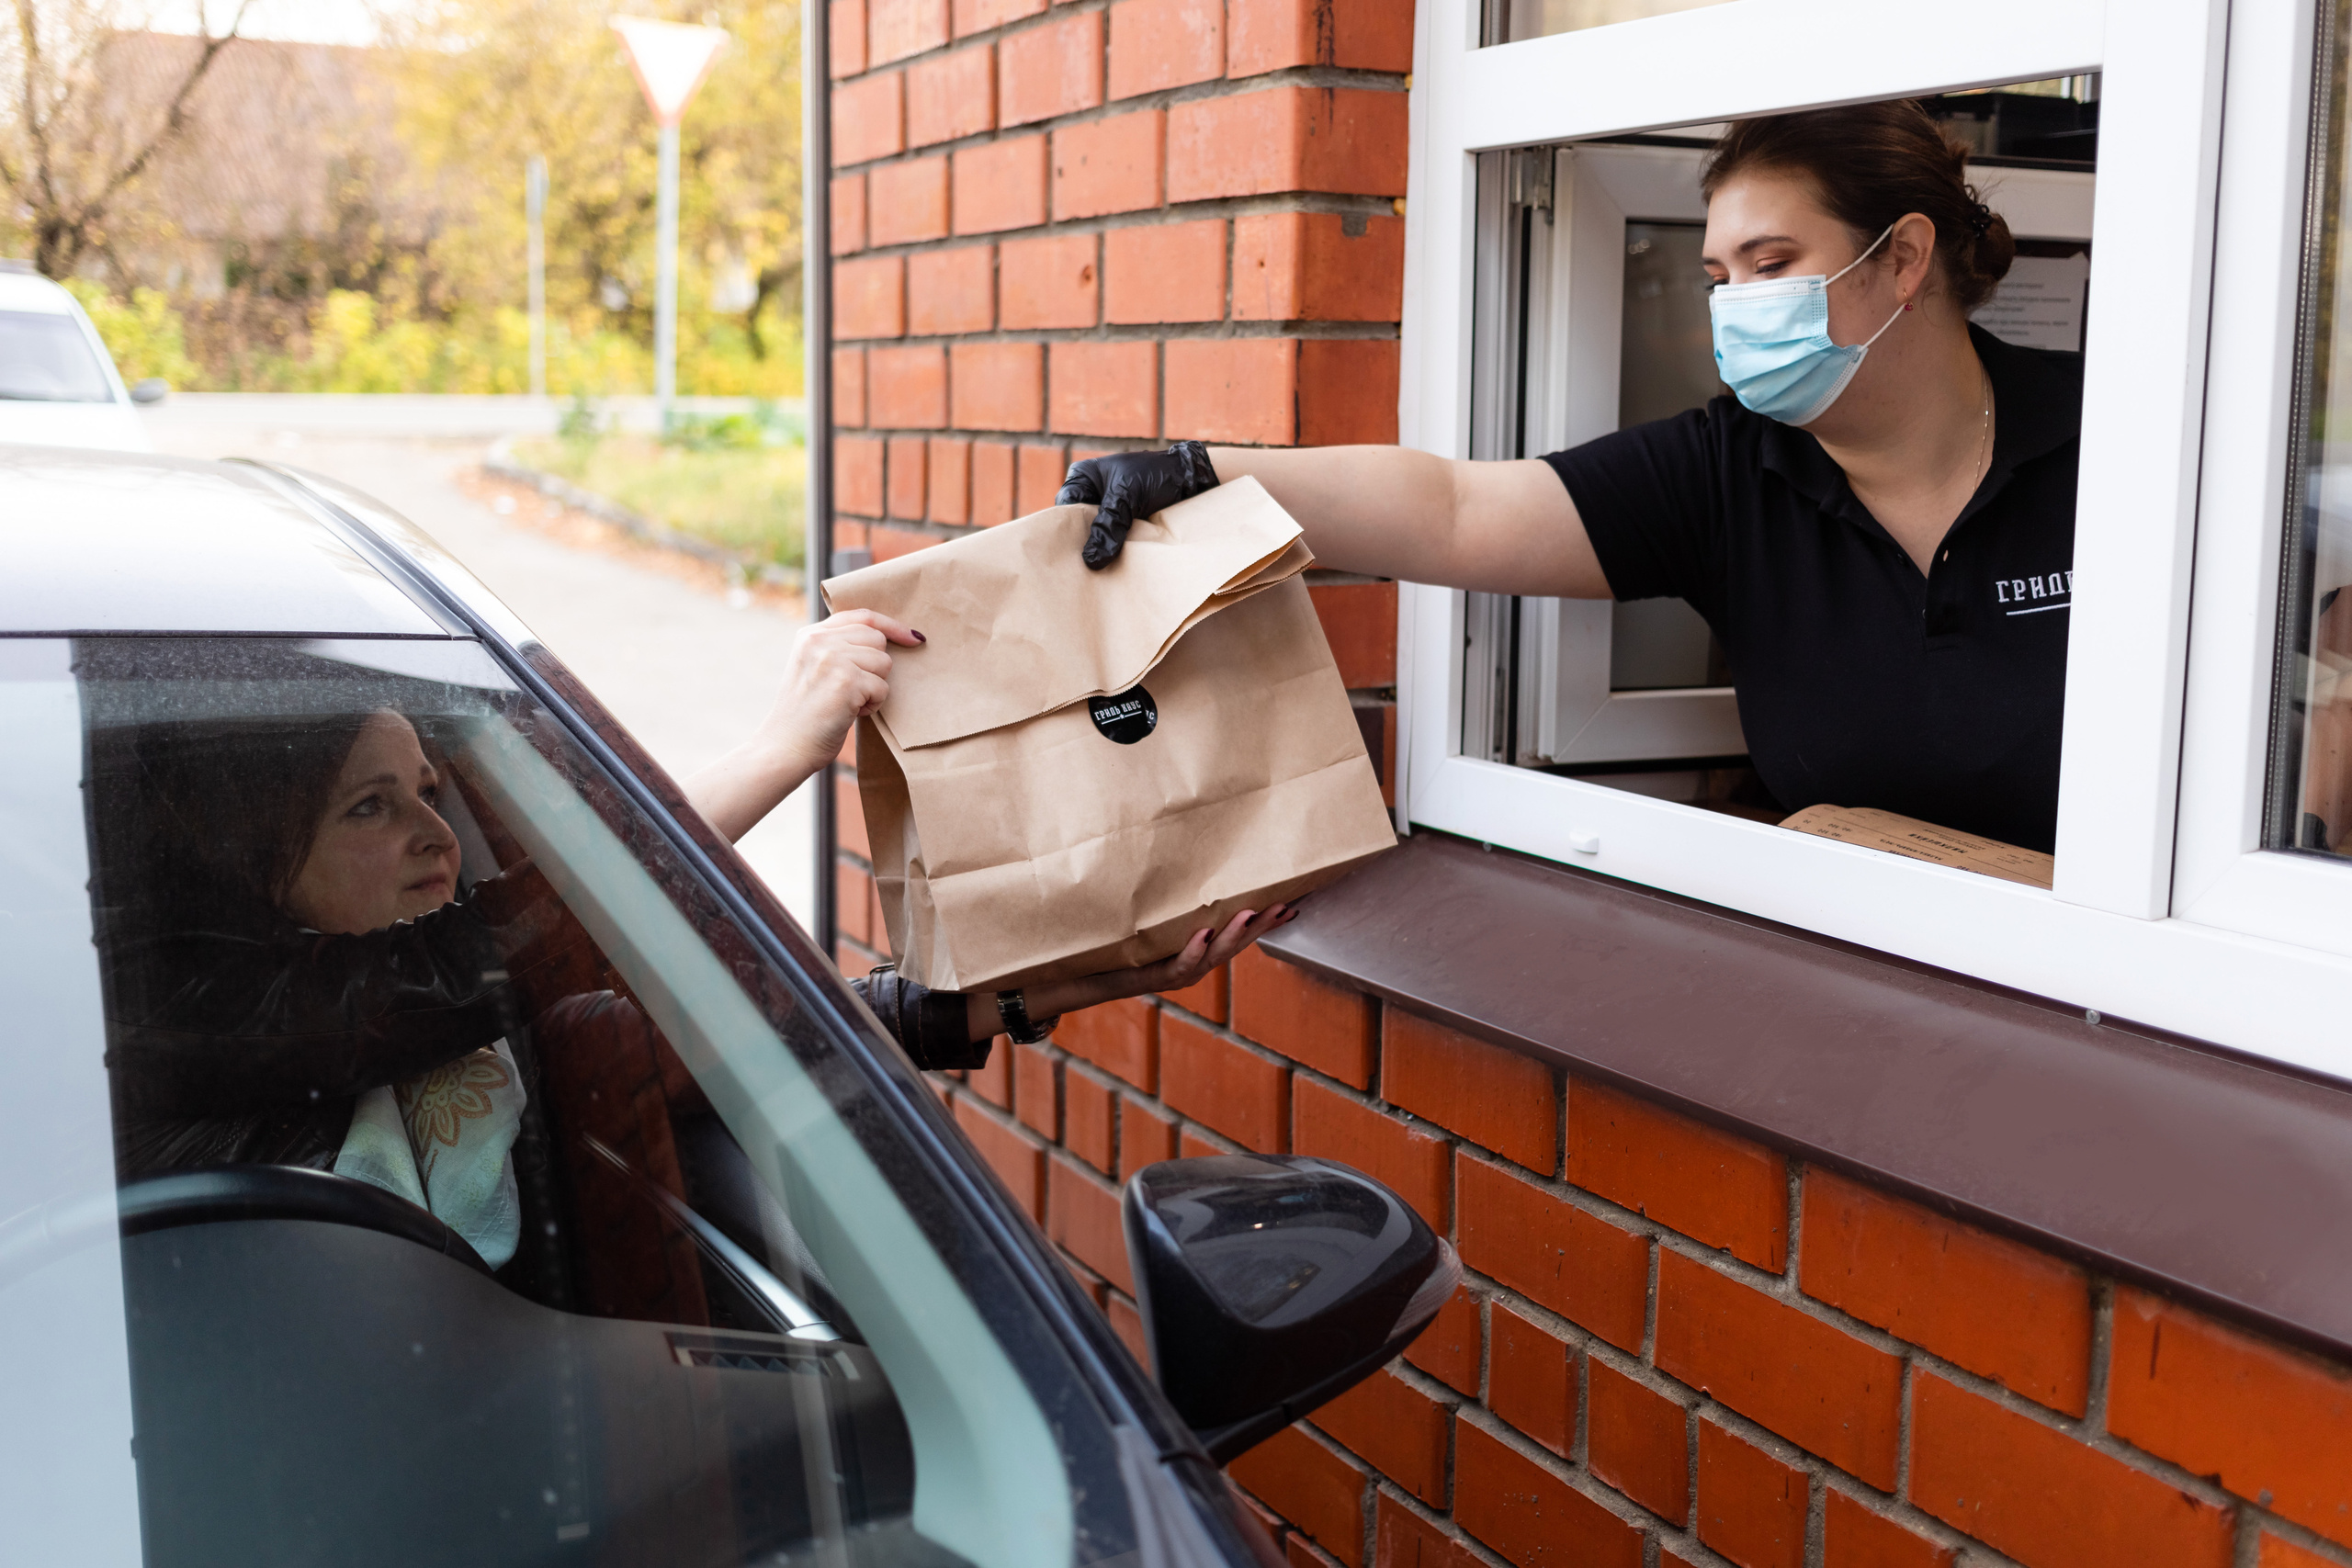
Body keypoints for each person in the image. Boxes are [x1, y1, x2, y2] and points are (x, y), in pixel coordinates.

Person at [1059, 102, 2084, 854]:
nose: (1734, 308)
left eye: (1769, 264)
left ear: (1902, 259)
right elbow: (1456, 510)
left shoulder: (2112, 443)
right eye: (1717, 277)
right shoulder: (1730, 470)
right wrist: (1201, 473)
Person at [99, 614, 1294, 1213]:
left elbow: (763, 1031)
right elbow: (483, 952)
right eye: (368, 806)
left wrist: (1092, 974)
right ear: (260, 863)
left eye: (428, 789)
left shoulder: (493, 1021)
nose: (434, 832)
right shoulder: (197, 1031)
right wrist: (783, 748)